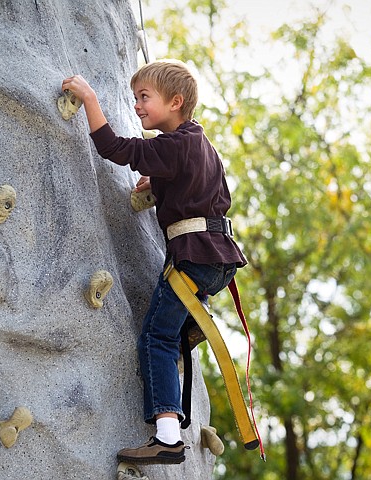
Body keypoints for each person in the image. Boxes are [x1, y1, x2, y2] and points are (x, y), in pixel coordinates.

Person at [62, 59, 247, 465]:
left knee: (155, 339)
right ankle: (190, 326)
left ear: (175, 101)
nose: (138, 106)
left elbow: (115, 148)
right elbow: (200, 190)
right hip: (218, 258)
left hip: (193, 256)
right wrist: (160, 183)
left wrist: (90, 98)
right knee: (171, 327)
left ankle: (167, 435)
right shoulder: (202, 146)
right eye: (135, 99)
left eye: (144, 98)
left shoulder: (173, 145)